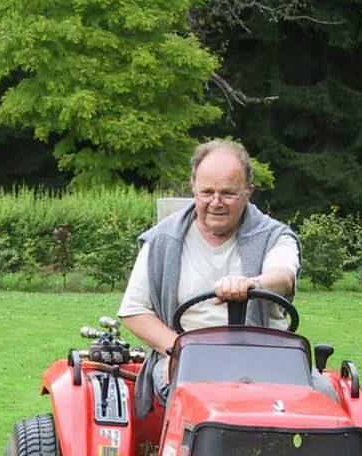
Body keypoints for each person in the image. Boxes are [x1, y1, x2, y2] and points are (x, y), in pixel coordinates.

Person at [118, 139, 301, 416]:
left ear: (248, 191)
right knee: (196, 398)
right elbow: (134, 311)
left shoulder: (275, 236)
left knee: (324, 395)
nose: (216, 202)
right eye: (207, 192)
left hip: (267, 356)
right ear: (193, 186)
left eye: (228, 193)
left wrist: (255, 283)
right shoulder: (162, 240)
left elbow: (284, 275)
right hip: (189, 358)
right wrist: (178, 350)